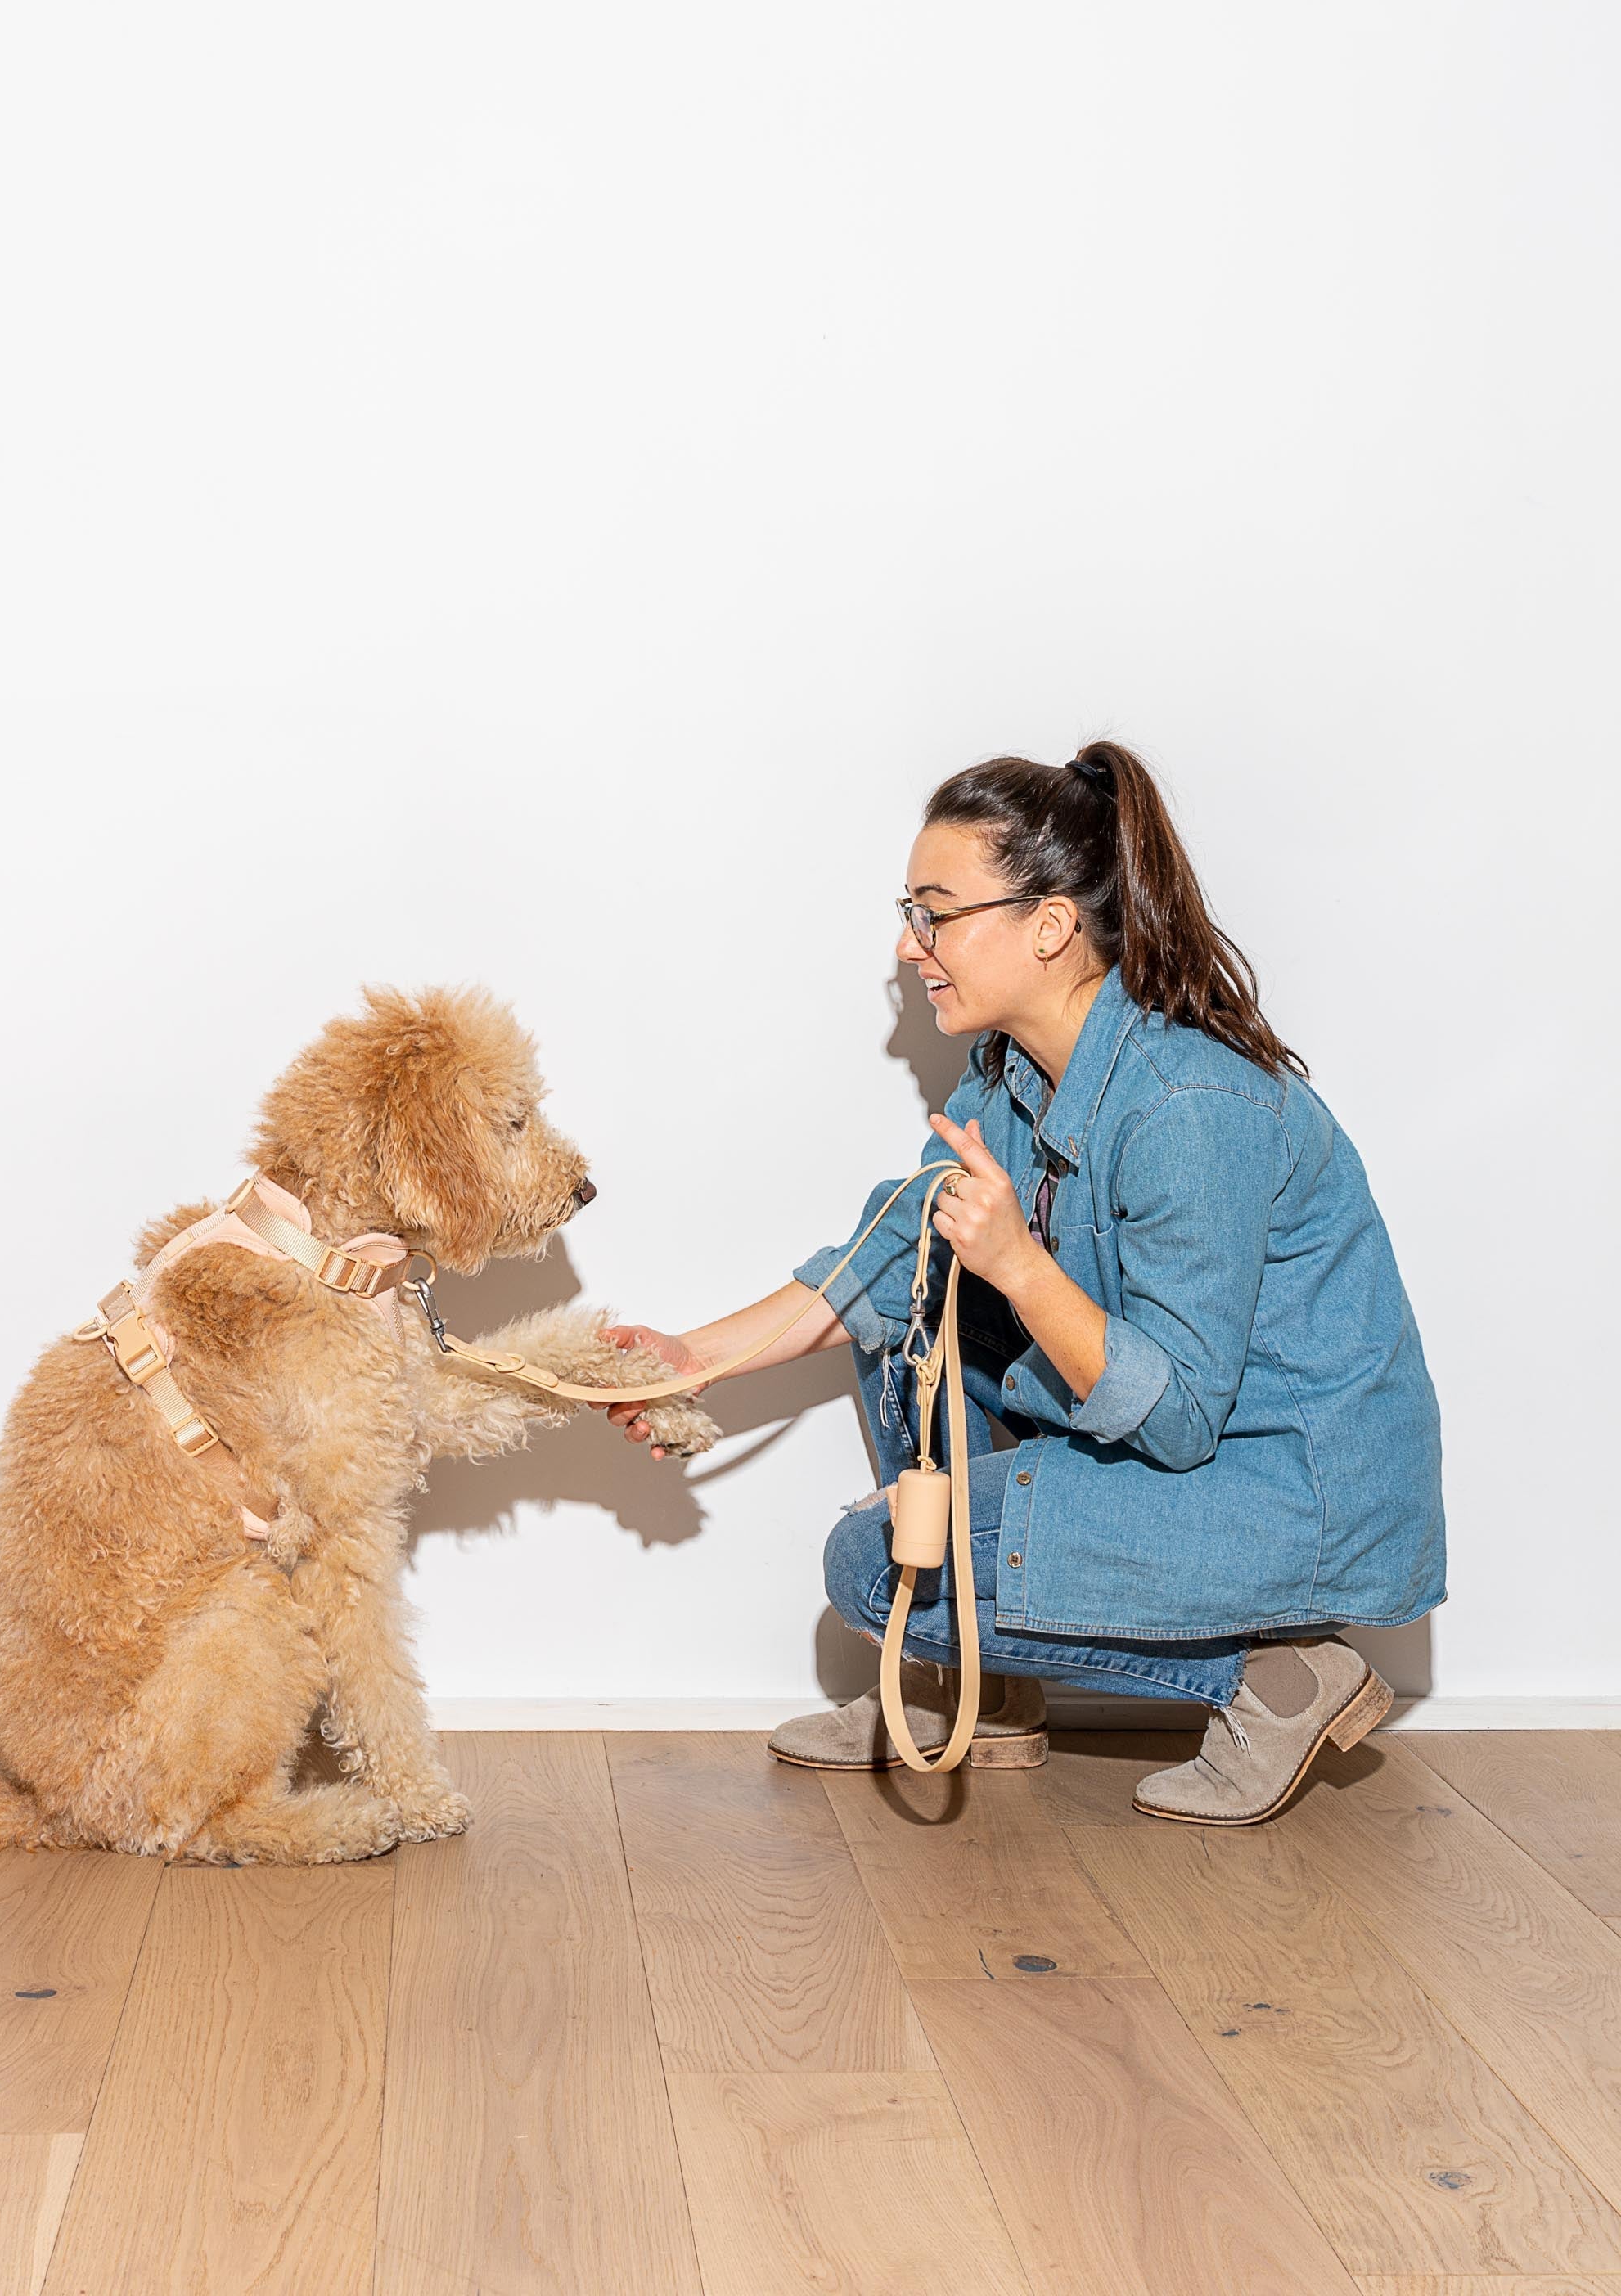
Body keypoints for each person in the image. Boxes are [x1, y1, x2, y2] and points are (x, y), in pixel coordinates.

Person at [602, 743, 1443, 1824]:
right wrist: (694, 1358)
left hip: (1275, 1486)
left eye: (937, 913)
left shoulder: (1192, 1106)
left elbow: (1184, 1418)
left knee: (872, 1566)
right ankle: (984, 1699)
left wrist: (1019, 1265)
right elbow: (887, 1259)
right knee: (911, 1311)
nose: (913, 947)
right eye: (912, 912)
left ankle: (1278, 1679)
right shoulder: (1011, 1071)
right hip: (1176, 1447)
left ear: (1048, 926)